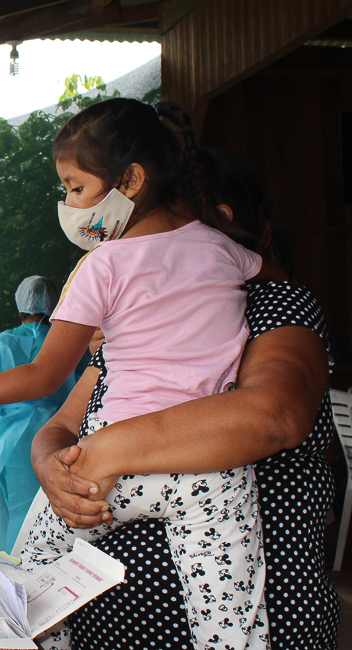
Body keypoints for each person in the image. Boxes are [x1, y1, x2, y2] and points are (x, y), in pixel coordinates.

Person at [0, 98, 283, 649]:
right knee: (235, 629)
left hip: (106, 467)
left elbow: (42, 376)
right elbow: (280, 281)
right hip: (213, 470)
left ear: (131, 179)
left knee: (27, 600)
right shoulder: (221, 249)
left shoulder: (102, 265)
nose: (69, 204)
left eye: (75, 188)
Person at [35, 147, 339, 649]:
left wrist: (99, 454)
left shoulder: (275, 303)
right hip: (109, 622)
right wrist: (50, 465)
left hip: (256, 616)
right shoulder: (137, 317)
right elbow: (63, 424)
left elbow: (272, 416)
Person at [0, 275, 76, 554]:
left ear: (19, 309)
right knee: (53, 508)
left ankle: (6, 571)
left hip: (5, 439)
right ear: (57, 305)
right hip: (60, 435)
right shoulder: (70, 342)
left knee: (10, 509)